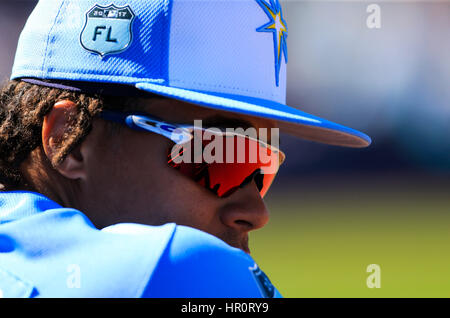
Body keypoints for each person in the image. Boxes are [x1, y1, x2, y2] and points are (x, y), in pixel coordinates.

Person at [0, 0, 370, 298]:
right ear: (70, 141)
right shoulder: (176, 269)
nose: (257, 212)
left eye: (262, 166)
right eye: (220, 155)